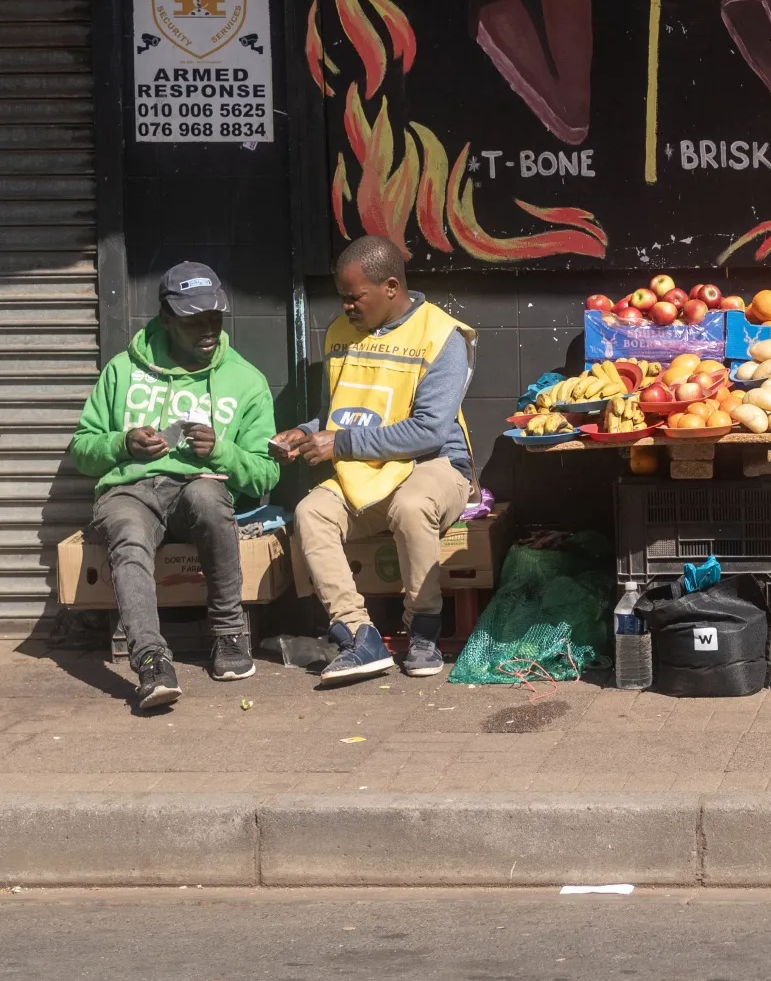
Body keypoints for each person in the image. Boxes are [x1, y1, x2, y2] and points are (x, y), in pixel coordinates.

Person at [69, 263, 278, 710]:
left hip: (199, 491)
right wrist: (122, 443)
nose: (208, 330)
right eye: (193, 320)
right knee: (126, 529)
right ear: (166, 318)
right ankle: (150, 659)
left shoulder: (246, 381)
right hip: (132, 491)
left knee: (206, 496)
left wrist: (219, 451)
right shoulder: (122, 371)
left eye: (215, 318)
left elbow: (266, 474)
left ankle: (229, 635)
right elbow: (82, 450)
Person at [271, 235, 476, 683]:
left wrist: (338, 444)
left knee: (412, 505)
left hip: (434, 466)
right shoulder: (340, 333)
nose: (346, 307)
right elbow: (338, 413)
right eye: (341, 298)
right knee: (311, 512)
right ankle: (356, 635)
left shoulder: (442, 336)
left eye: (353, 297)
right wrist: (305, 433)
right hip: (367, 472)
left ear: (389, 287)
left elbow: (428, 431)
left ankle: (423, 627)